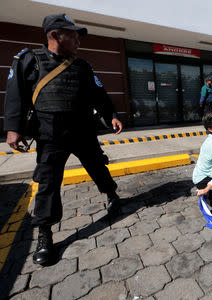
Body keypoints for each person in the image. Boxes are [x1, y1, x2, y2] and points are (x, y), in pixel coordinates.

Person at [3, 13, 123, 266]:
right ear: (55, 35)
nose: (78, 39)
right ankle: (45, 235)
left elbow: (98, 93)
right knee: (47, 183)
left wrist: (111, 115)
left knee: (97, 166)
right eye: (73, 34)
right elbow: (16, 95)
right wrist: (13, 128)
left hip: (83, 131)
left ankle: (112, 195)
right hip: (50, 133)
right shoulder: (29, 61)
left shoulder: (83, 66)